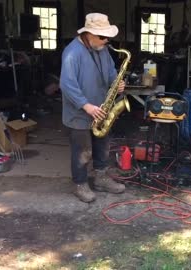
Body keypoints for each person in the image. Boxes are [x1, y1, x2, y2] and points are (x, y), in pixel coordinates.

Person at [60, 13, 125, 203]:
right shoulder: (72, 52)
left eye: (107, 36)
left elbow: (112, 72)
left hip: (102, 109)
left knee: (102, 146)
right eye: (102, 36)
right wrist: (86, 106)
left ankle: (101, 179)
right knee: (83, 151)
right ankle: (80, 184)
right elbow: (67, 85)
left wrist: (117, 83)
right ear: (89, 33)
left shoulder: (102, 49)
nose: (106, 40)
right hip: (80, 113)